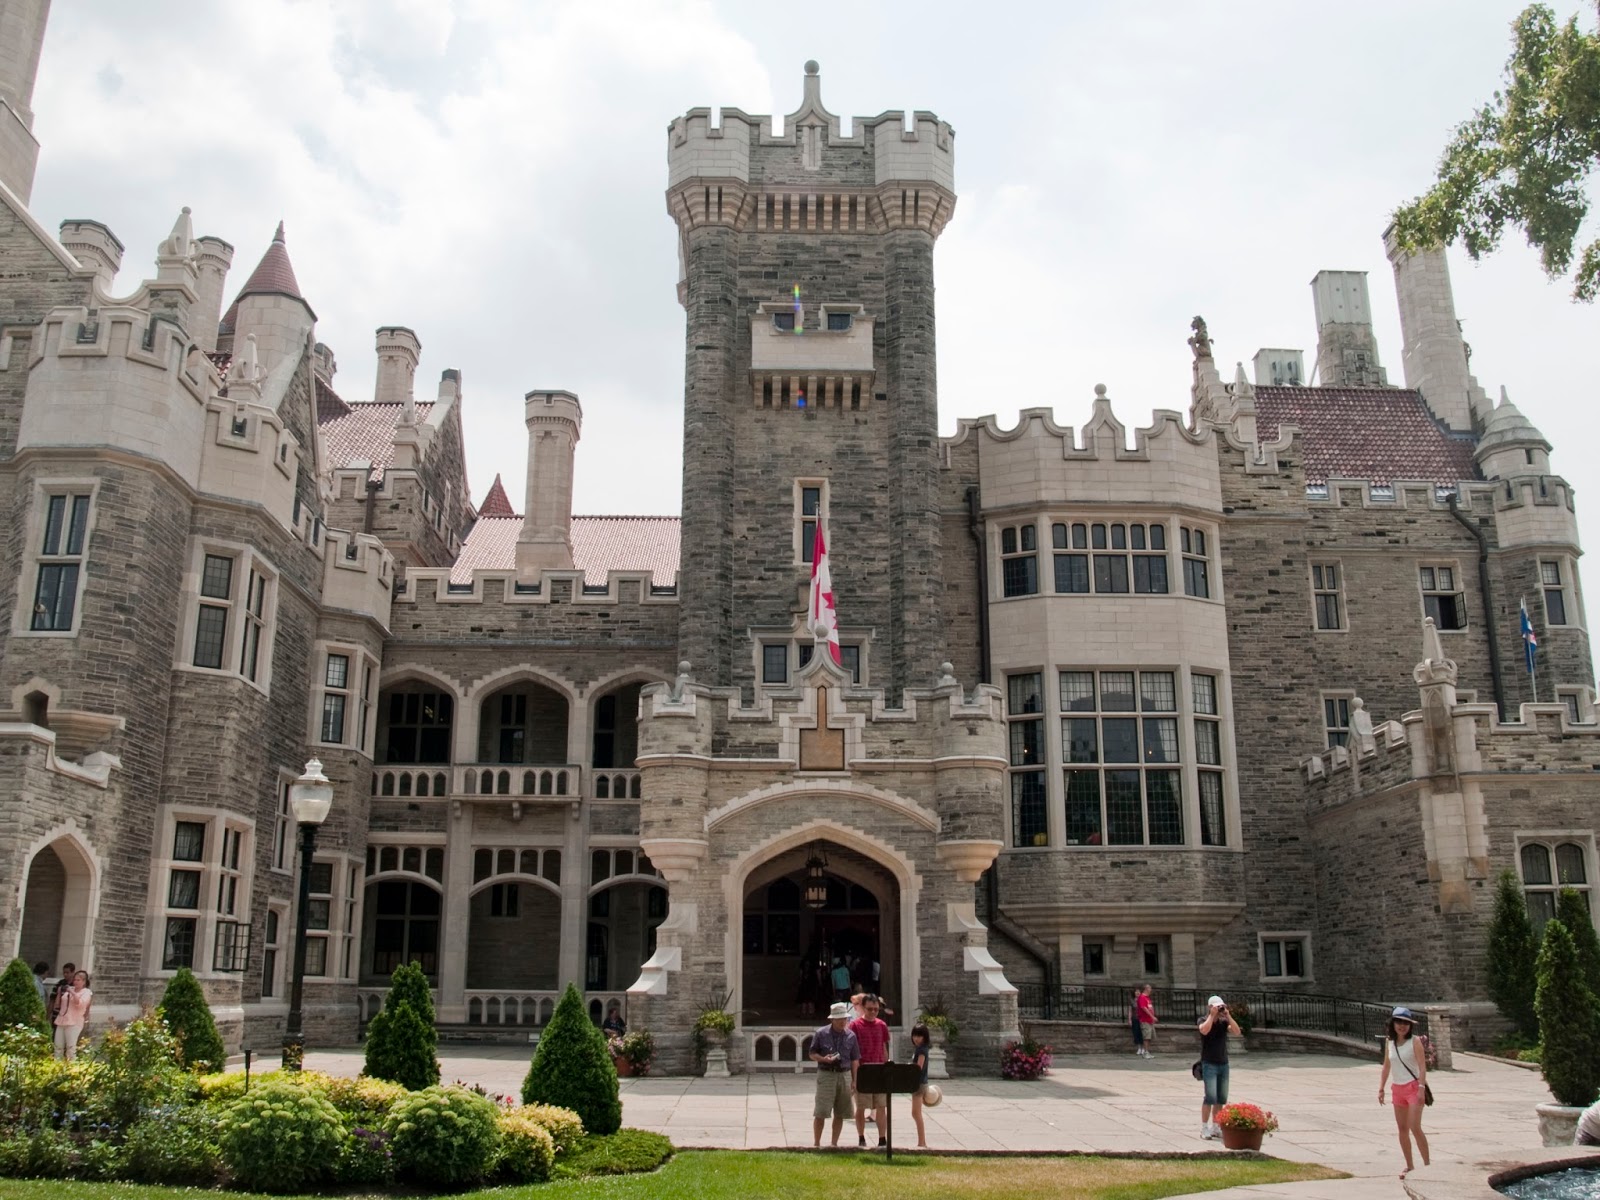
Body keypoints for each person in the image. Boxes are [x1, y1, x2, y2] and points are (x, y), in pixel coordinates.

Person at [1378, 1006, 1430, 1178]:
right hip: (1397, 1088)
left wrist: (1421, 1088)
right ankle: (1409, 1166)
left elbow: (1422, 1067)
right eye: (1399, 1022)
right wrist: (1381, 1088)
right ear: (1393, 1024)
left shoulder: (1415, 1041)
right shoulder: (1390, 1042)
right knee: (1402, 1129)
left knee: (1415, 1127)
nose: (1402, 1026)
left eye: (1406, 1023)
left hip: (1413, 1087)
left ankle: (1428, 1166)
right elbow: (1386, 1066)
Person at [809, 1001, 860, 1148]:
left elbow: (855, 1059)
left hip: (844, 1074)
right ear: (832, 1019)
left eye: (844, 1018)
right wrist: (823, 1059)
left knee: (841, 1112)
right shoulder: (821, 1033)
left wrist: (854, 1080)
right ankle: (816, 1143)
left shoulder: (851, 1036)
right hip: (826, 1074)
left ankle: (834, 1143)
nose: (842, 1022)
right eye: (839, 1019)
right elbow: (812, 1053)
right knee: (821, 1111)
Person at [850, 993, 891, 1149]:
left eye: (876, 1009)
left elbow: (884, 1047)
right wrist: (854, 1077)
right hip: (863, 1071)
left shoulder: (882, 1025)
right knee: (861, 1106)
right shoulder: (855, 1026)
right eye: (869, 1009)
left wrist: (887, 1066)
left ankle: (882, 1139)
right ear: (863, 1007)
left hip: (879, 1070)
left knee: (881, 1106)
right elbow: (852, 1053)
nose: (873, 1012)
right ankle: (861, 1137)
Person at [1197, 994, 1241, 1139]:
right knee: (1210, 1097)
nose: (1219, 1009)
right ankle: (1204, 1127)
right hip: (1209, 1063)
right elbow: (1204, 1030)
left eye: (1220, 1006)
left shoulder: (1223, 1022)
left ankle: (1216, 1126)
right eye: (1217, 1007)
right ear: (1210, 1007)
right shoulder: (1203, 1020)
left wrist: (1228, 1016)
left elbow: (1237, 1031)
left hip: (1223, 1063)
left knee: (1221, 1098)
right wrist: (1212, 1015)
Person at [53, 969, 91, 1060]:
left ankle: (71, 1066)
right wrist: (59, 992)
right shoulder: (69, 990)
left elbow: (79, 1003)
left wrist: (72, 992)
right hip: (62, 1020)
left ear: (84, 982)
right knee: (58, 1047)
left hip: (74, 1022)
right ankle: (57, 1064)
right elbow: (58, 1004)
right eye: (74, 980)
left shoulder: (86, 992)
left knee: (70, 1048)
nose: (75, 982)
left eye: (78, 980)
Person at [908, 1023, 931, 1149]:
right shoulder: (920, 1048)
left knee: (916, 1113)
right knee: (915, 1113)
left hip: (919, 1083)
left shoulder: (921, 1050)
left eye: (919, 1036)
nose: (916, 1038)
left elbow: (918, 1067)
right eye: (915, 1036)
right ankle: (922, 1141)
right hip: (918, 1083)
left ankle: (922, 1142)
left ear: (924, 1037)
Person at [1136, 984, 1158, 1056]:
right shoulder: (1142, 997)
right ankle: (1145, 1052)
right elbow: (1144, 1008)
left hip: (1149, 1021)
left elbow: (1150, 1007)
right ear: (1146, 989)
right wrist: (1152, 1016)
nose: (1151, 990)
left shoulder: (1147, 998)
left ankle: (1147, 1052)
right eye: (1150, 988)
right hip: (1145, 1020)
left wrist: (1152, 1018)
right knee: (1146, 1037)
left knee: (1149, 1037)